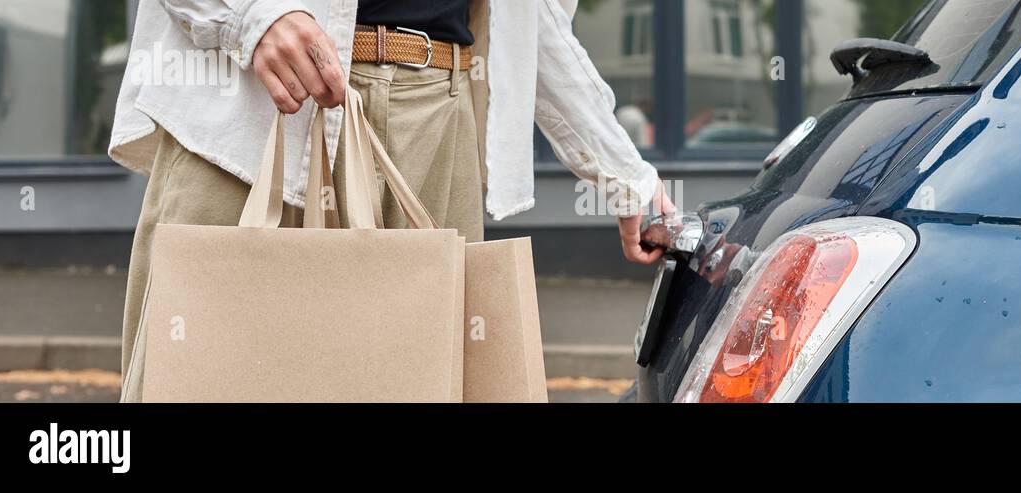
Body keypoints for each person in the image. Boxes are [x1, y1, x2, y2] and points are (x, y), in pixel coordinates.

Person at [108, 0, 675, 395]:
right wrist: (248, 14)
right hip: (255, 106)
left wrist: (620, 171)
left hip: (437, 115)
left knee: (422, 385)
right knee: (205, 379)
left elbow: (526, 18)